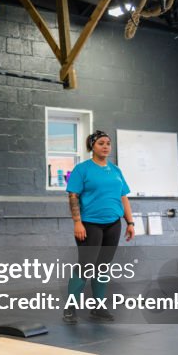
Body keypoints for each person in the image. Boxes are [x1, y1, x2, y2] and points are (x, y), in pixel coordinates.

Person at [64, 130, 136, 324]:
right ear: (92, 147)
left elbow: (124, 197)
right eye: (101, 143)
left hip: (113, 224)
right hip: (89, 224)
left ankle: (98, 307)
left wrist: (130, 222)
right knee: (85, 266)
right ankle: (70, 308)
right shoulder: (82, 169)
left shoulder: (115, 170)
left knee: (103, 267)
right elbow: (73, 196)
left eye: (108, 143)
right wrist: (77, 222)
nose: (106, 147)